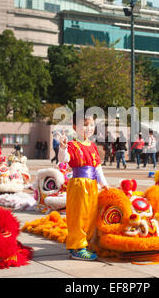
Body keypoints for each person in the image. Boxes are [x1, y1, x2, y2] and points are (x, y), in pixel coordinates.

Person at [58, 110, 108, 260]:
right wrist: (62, 147)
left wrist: (104, 184)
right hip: (79, 185)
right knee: (78, 215)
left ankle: (84, 243)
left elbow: (98, 167)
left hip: (92, 185)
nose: (89, 128)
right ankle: (76, 247)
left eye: (92, 125)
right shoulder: (73, 145)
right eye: (85, 125)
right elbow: (64, 159)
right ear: (75, 127)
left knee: (90, 215)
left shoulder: (93, 146)